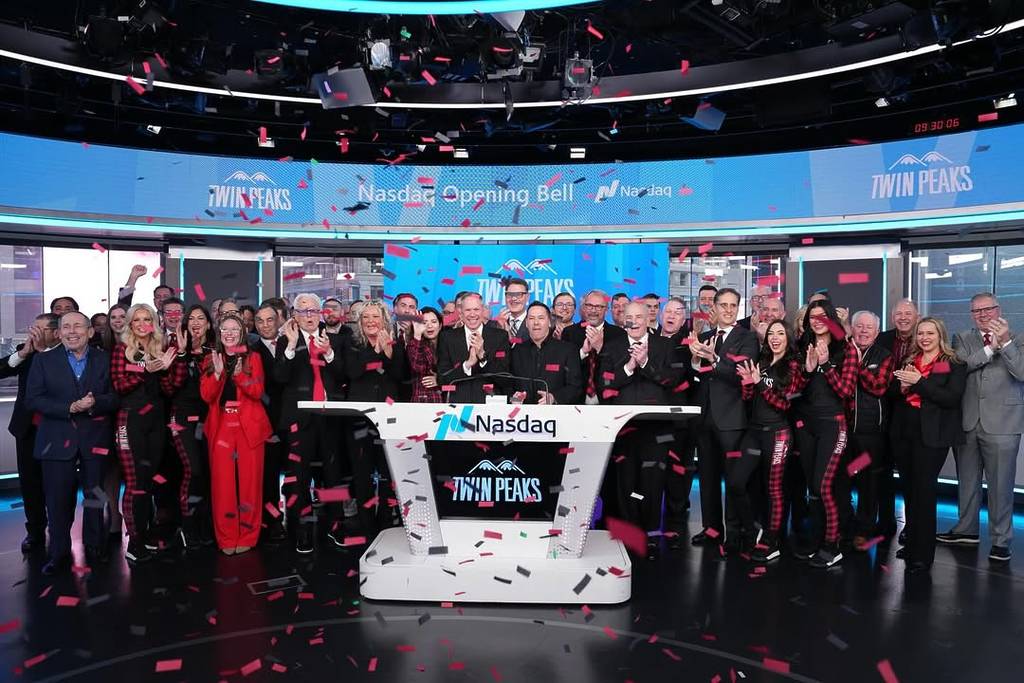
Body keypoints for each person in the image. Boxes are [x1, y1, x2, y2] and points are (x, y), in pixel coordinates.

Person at [25, 312, 118, 574]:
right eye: (66, 327)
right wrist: (70, 407)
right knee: (57, 501)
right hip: (55, 440)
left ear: (90, 332)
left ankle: (95, 546)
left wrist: (95, 403)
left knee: (95, 496)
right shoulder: (43, 360)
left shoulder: (105, 359)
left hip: (95, 438)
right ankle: (59, 553)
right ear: (59, 333)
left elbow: (115, 397)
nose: (72, 331)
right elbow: (33, 400)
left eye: (78, 326)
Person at [938, 293, 1024, 561]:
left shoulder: (1019, 339)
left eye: (987, 309)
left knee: (1000, 486)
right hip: (969, 420)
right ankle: (967, 530)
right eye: (976, 311)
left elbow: (1021, 372)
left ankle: (1001, 540)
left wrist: (1005, 342)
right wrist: (989, 349)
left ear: (999, 309)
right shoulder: (962, 338)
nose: (983, 314)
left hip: (1003, 422)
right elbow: (963, 366)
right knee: (967, 481)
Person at [598, 301, 682, 543]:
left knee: (652, 483)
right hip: (623, 428)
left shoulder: (666, 346)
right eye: (629, 317)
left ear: (648, 319)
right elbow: (604, 385)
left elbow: (674, 379)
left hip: (657, 428)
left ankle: (651, 534)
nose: (633, 321)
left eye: (638, 317)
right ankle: (629, 535)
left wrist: (645, 364)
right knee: (625, 482)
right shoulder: (612, 347)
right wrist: (628, 367)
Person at [110, 303, 187, 565]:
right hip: (130, 420)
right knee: (135, 483)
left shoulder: (159, 348)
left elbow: (171, 387)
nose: (143, 324)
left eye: (147, 319)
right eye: (137, 320)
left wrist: (178, 357)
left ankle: (145, 535)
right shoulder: (122, 350)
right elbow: (119, 385)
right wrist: (145, 370)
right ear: (130, 324)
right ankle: (134, 541)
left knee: (148, 482)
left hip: (156, 421)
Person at [891, 317, 966, 573]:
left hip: (932, 434)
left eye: (930, 333)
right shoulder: (911, 360)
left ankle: (923, 554)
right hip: (905, 431)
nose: (924, 337)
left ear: (940, 335)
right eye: (921, 333)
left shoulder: (952, 363)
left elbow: (951, 398)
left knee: (924, 491)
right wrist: (902, 388)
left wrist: (918, 383)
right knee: (910, 490)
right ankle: (912, 543)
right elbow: (895, 393)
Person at [274, 293, 347, 553]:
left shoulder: (335, 339)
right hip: (299, 419)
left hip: (329, 417)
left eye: (314, 311)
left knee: (333, 475)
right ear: (294, 315)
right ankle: (302, 531)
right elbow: (280, 377)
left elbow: (345, 375)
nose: (309, 316)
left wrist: (329, 353)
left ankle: (336, 525)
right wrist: (292, 346)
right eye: (303, 311)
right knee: (299, 478)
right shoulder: (286, 340)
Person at [688, 288, 759, 552]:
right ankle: (712, 530)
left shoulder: (747, 338)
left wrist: (714, 358)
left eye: (733, 306)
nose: (728, 310)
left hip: (731, 418)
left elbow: (741, 373)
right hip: (704, 416)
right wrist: (696, 359)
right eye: (724, 305)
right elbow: (699, 376)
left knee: (732, 480)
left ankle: (733, 534)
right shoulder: (706, 337)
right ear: (714, 309)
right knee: (706, 478)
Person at [793, 300, 858, 568]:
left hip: (833, 423)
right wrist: (808, 371)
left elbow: (846, 391)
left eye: (822, 316)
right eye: (812, 316)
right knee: (813, 487)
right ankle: (817, 539)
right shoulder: (802, 346)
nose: (817, 321)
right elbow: (793, 391)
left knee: (824, 485)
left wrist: (827, 364)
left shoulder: (847, 349)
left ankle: (833, 545)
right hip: (806, 424)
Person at [732, 320, 805, 561]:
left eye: (780, 333)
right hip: (754, 432)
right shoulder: (761, 362)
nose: (774, 338)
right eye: (771, 333)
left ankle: (772, 541)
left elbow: (785, 404)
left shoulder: (793, 366)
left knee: (773, 489)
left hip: (778, 434)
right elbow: (748, 397)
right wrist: (747, 381)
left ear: (788, 338)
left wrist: (759, 383)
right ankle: (753, 530)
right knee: (736, 482)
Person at [200, 313, 271, 555]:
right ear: (219, 333)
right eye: (225, 329)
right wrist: (218, 374)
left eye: (234, 329)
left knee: (250, 484)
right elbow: (206, 396)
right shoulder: (210, 359)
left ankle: (248, 535)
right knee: (223, 485)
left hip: (249, 424)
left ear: (242, 333)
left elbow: (257, 391)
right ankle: (227, 537)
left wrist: (240, 375)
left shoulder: (254, 358)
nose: (229, 333)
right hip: (222, 425)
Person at [0, 314, 60, 554]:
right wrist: (23, 353)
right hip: (28, 429)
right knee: (30, 483)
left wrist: (43, 352)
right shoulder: (26, 352)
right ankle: (35, 530)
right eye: (32, 328)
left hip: (58, 429)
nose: (33, 333)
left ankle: (59, 531)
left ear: (55, 333)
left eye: (39, 329)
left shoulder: (66, 353)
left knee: (58, 484)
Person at [344, 301, 407, 532]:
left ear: (384, 320)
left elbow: (400, 376)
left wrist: (389, 354)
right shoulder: (352, 344)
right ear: (360, 322)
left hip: (389, 419)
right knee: (362, 473)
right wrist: (376, 352)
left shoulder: (396, 344)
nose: (371, 321)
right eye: (366, 317)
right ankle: (366, 524)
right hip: (360, 419)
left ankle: (386, 522)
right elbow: (353, 372)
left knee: (388, 471)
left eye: (375, 317)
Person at [845, 311, 895, 550]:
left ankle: (864, 530)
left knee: (867, 481)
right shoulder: (842, 351)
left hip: (869, 433)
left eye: (869, 328)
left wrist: (856, 363)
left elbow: (878, 387)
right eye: (859, 326)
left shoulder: (884, 355)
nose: (863, 331)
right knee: (842, 478)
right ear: (852, 329)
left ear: (876, 332)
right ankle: (844, 525)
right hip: (843, 431)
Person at [168, 304, 216, 550]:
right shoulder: (175, 348)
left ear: (208, 324)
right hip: (182, 418)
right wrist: (182, 353)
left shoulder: (216, 350)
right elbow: (170, 387)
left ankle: (205, 525)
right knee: (193, 470)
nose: (196, 322)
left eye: (201, 318)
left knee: (207, 473)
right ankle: (187, 525)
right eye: (192, 318)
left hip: (210, 417)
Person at [876, 298, 919, 543]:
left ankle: (912, 526)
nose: (903, 318)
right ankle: (886, 522)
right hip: (884, 415)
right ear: (892, 317)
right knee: (882, 473)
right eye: (899, 314)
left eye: (908, 313)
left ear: (917, 316)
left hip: (912, 417)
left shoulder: (925, 338)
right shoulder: (882, 339)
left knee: (910, 476)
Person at [656, 297, 697, 530]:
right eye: (668, 311)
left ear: (683, 320)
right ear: (661, 315)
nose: (671, 316)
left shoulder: (690, 345)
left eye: (677, 313)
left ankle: (676, 520)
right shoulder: (648, 339)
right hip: (652, 416)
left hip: (679, 417)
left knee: (678, 471)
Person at [436, 293, 510, 403]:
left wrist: (483, 357)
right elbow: (442, 379)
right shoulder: (447, 337)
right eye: (468, 310)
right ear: (461, 313)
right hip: (458, 405)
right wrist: (467, 365)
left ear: (482, 311)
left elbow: (504, 378)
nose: (472, 314)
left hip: (490, 405)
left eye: (476, 309)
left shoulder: (500, 336)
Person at [509, 302, 583, 405]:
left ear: (549, 322)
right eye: (531, 318)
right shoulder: (517, 351)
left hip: (556, 412)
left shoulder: (567, 350)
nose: (536, 322)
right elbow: (508, 386)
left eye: (541, 318)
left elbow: (576, 387)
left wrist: (554, 398)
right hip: (524, 413)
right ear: (526, 323)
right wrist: (515, 399)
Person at [562, 290, 627, 405]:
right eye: (589, 305)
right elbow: (564, 368)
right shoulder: (570, 333)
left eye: (598, 307)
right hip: (576, 400)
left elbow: (621, 368)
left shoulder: (619, 334)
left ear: (606, 309)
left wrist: (600, 348)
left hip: (609, 400)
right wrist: (583, 352)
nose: (593, 310)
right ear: (584, 308)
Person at [407, 307, 444, 403]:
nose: (429, 326)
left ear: (440, 325)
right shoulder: (414, 343)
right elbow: (418, 367)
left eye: (433, 322)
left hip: (447, 399)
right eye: (424, 323)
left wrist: (440, 380)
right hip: (423, 399)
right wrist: (417, 335)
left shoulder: (447, 344)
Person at [497, 278, 530, 343]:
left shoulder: (534, 323)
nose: (514, 298)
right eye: (510, 294)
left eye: (519, 294)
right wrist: (499, 329)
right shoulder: (495, 325)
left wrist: (508, 334)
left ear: (527, 297)